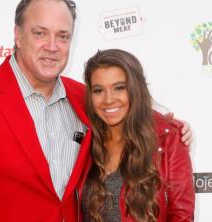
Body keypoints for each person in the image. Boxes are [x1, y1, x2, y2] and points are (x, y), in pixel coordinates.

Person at [0, 0, 193, 222]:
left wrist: (175, 130)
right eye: (40, 33)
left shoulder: (84, 97)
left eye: (63, 36)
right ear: (17, 35)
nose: (52, 46)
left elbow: (128, 110)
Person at [80, 49, 195, 222]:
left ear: (136, 89)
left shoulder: (168, 138)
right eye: (98, 90)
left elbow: (182, 216)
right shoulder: (84, 138)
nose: (108, 99)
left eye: (119, 88)